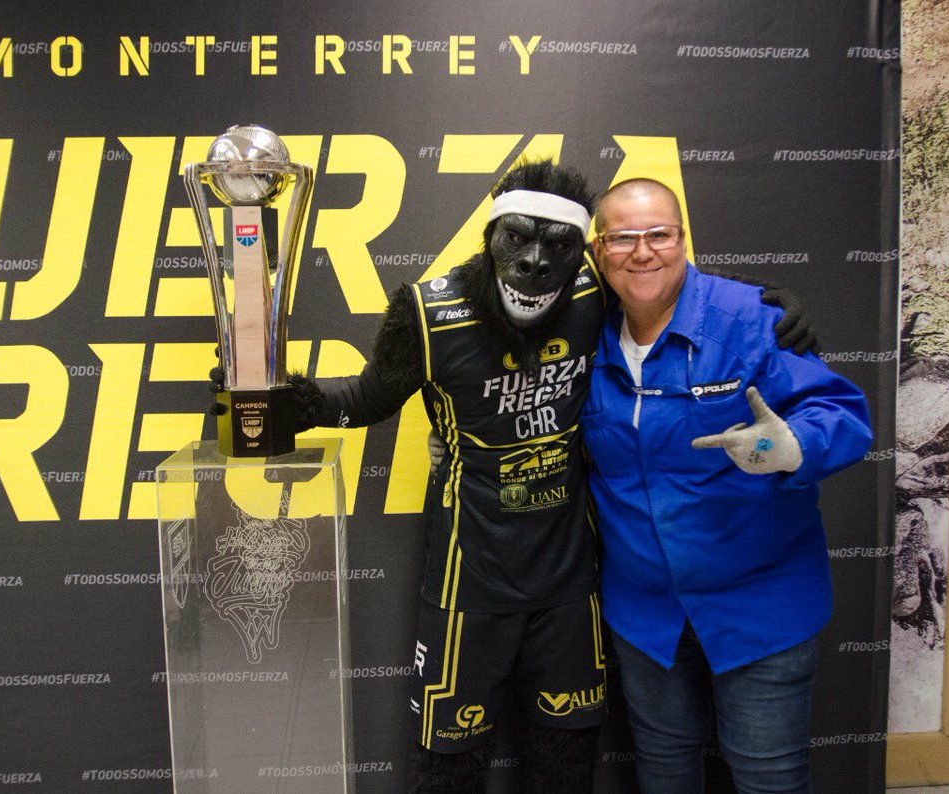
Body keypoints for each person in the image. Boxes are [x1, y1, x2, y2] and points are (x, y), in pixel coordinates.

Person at [211, 161, 819, 792]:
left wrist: (763, 302)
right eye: (517, 239)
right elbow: (367, 398)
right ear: (491, 234)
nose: (533, 263)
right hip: (466, 580)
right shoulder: (428, 310)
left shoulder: (592, 291)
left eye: (556, 246)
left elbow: (661, 283)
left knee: (565, 763)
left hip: (569, 580)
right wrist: (281, 405)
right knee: (447, 766)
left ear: (579, 252)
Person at [581, 178, 873, 793]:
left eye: (659, 234)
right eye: (623, 238)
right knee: (663, 768)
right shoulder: (583, 335)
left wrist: (792, 445)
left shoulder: (748, 319)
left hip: (760, 606)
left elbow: (843, 418)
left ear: (683, 240)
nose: (643, 252)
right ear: (597, 250)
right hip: (646, 614)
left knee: (770, 778)